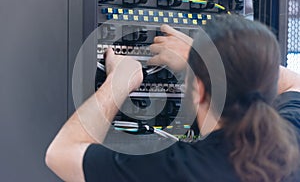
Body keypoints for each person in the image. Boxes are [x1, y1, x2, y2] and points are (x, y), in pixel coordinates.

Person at [45, 15, 300, 182]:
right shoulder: (291, 139)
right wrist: (205, 60)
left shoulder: (178, 170)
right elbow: (294, 82)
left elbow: (60, 154)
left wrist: (119, 82)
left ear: (198, 90)